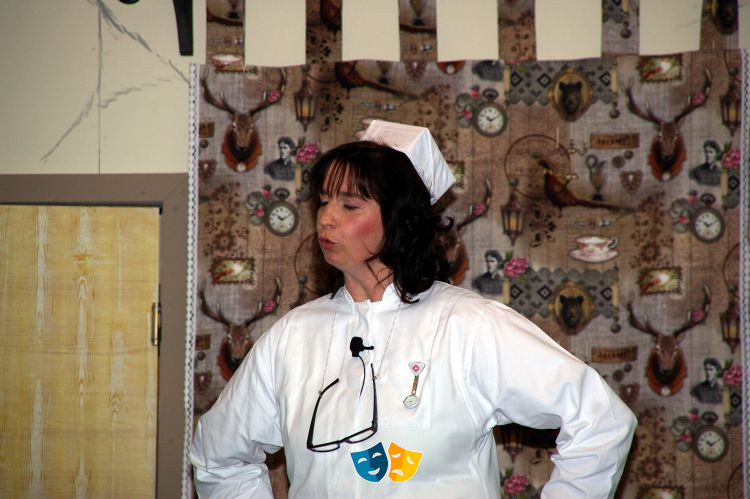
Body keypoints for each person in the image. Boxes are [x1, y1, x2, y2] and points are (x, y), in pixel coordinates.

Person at [190, 120, 637, 498]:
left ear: (399, 218)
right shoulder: (293, 337)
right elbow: (218, 457)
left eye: (349, 205)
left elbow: (600, 420)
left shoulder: (467, 325)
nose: (326, 218)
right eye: (323, 201)